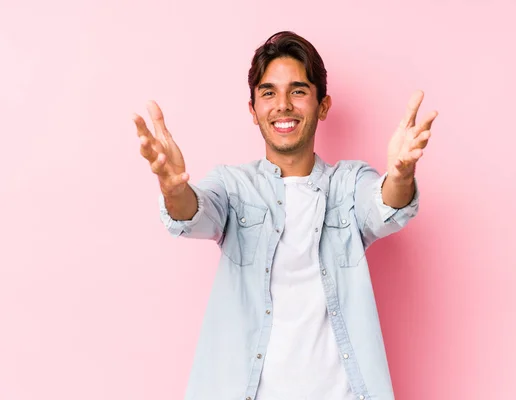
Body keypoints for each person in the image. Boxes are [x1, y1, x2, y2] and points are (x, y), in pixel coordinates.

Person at [133, 31, 437, 400]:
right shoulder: (233, 185)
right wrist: (174, 189)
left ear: (322, 105)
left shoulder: (349, 182)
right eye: (268, 92)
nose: (283, 105)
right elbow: (194, 213)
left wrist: (401, 176)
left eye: (297, 90)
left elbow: (383, 207)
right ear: (253, 109)